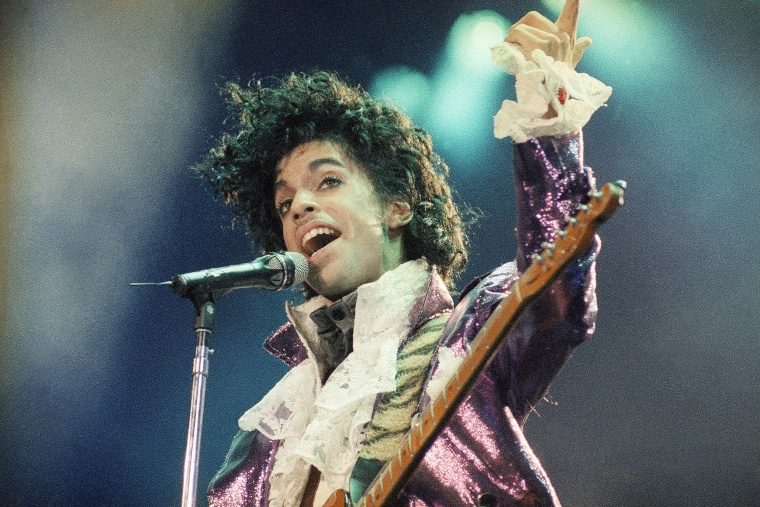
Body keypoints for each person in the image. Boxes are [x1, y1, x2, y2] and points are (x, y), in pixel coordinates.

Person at [196, 1, 613, 505]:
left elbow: (555, 281)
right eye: (284, 205)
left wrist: (549, 114)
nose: (301, 205)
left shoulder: (462, 338)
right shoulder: (272, 432)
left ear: (397, 207)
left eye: (328, 181)